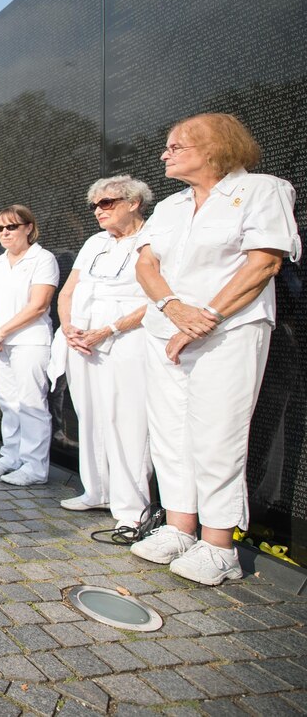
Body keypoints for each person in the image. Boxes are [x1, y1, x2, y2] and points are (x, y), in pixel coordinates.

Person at [130, 113, 299, 586]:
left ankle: (218, 544)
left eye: (176, 146)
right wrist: (172, 307)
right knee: (169, 432)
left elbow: (264, 262)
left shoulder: (264, 190)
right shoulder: (170, 206)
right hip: (165, 331)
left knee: (218, 434)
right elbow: (146, 264)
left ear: (214, 149)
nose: (165, 154)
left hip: (230, 332)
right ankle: (179, 527)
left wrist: (206, 318)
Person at [55, 176, 153, 528]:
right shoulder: (95, 241)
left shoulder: (152, 238)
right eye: (94, 205)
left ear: (134, 202)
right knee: (90, 416)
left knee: (127, 421)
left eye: (107, 203)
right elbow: (68, 291)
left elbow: (156, 299)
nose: (98, 210)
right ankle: (96, 490)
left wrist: (108, 330)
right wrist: (68, 326)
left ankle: (133, 509)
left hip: (127, 340)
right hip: (81, 340)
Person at [0, 205, 59, 485]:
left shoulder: (43, 259)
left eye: (11, 227)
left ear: (28, 228)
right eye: (0, 228)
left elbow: (38, 305)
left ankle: (35, 468)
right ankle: (11, 456)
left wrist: (1, 332)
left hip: (29, 342)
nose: (5, 233)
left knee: (31, 403)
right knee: (9, 403)